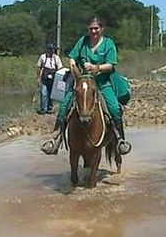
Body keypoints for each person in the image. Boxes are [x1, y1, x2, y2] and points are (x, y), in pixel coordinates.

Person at [41, 16, 131, 155]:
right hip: (82, 82)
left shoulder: (108, 44)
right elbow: (72, 57)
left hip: (101, 83)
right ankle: (56, 138)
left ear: (102, 29)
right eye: (91, 29)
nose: (93, 31)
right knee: (65, 105)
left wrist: (97, 68)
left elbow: (111, 65)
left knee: (114, 108)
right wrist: (72, 65)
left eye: (96, 28)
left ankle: (120, 140)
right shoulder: (82, 41)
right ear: (87, 29)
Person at [36, 43, 62, 115]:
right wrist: (38, 78)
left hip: (53, 79)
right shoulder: (43, 57)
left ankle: (49, 108)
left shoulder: (56, 58)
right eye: (51, 49)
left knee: (51, 94)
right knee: (43, 93)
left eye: (53, 49)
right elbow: (38, 67)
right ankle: (43, 109)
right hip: (44, 78)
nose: (52, 51)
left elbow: (60, 68)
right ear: (47, 50)